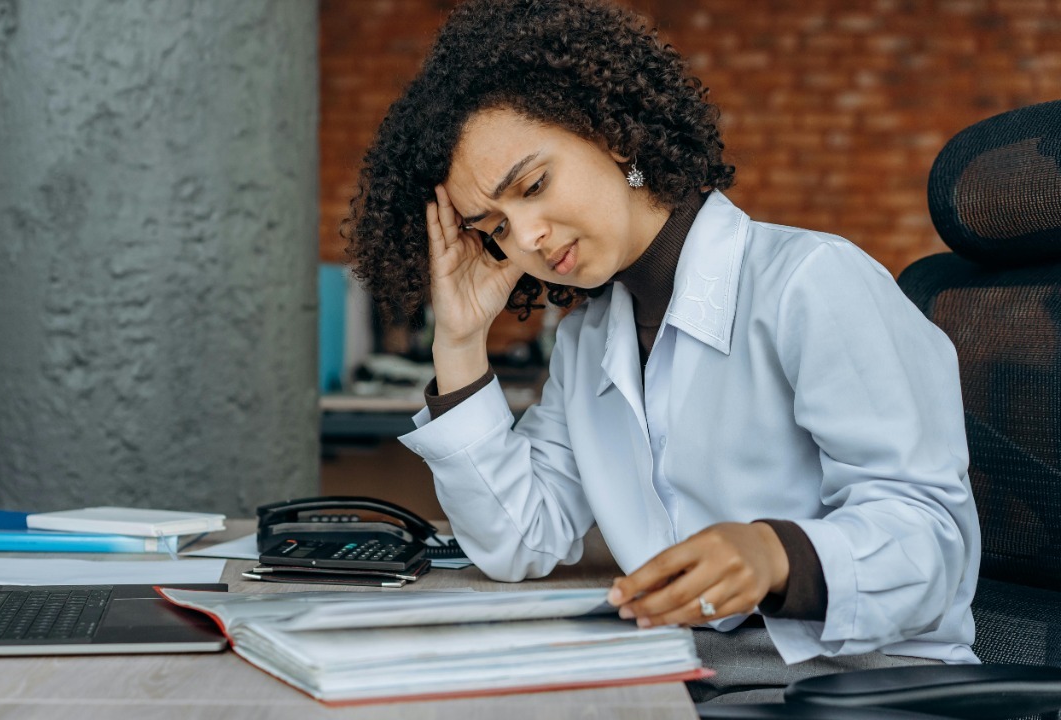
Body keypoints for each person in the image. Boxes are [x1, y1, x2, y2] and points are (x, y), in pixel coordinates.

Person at [344, 0, 980, 703]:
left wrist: (775, 554)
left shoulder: (810, 283)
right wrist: (461, 340)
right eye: (493, 226)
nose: (524, 237)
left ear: (613, 133)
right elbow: (519, 541)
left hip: (861, 691)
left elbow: (933, 541)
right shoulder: (589, 341)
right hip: (689, 685)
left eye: (533, 186)